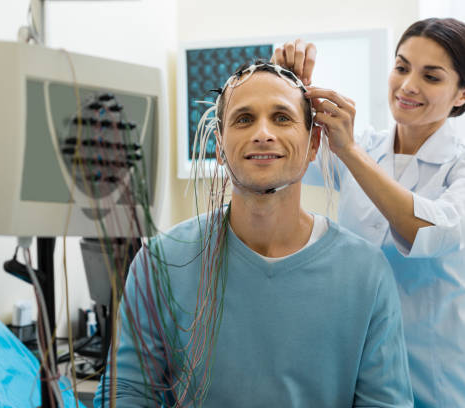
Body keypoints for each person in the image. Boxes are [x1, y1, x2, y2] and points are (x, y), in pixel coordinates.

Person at [94, 62, 413, 407]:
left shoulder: (365, 273)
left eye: (282, 117)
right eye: (244, 119)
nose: (263, 133)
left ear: (314, 143)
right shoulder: (160, 263)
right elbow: (126, 393)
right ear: (219, 145)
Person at [274, 18, 465, 407]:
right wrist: (287, 86)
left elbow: (429, 229)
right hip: (363, 370)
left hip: (441, 376)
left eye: (431, 77)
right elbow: (282, 158)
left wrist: (350, 153)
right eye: (401, 67)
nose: (408, 85)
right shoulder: (365, 147)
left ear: (464, 93)